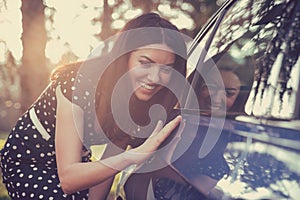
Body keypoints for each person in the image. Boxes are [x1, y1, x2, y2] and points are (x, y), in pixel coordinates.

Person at [0, 13, 188, 199]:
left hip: (76, 163)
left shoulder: (138, 103)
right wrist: (133, 156)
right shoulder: (78, 82)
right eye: (145, 63)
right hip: (29, 159)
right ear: (125, 56)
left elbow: (109, 163)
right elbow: (69, 179)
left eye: (166, 69)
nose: (155, 78)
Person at [122, 67, 248, 200]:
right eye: (210, 87)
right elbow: (135, 181)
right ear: (195, 87)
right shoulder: (169, 122)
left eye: (229, 94)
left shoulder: (236, 141)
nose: (217, 98)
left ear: (238, 99)